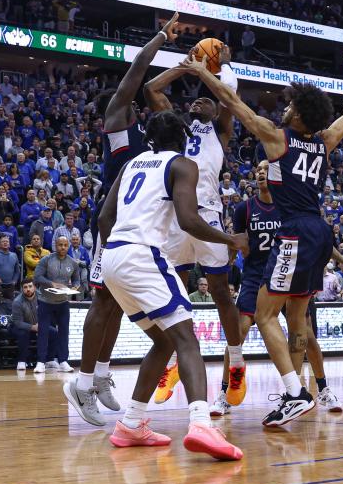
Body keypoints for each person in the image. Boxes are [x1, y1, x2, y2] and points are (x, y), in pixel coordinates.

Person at [187, 45, 343, 426]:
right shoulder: (323, 142)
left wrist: (203, 73)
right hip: (321, 233)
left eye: (288, 106)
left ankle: (294, 392)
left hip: (295, 232)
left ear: (298, 112)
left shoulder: (276, 138)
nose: (282, 110)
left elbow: (231, 101)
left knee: (267, 314)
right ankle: (299, 388)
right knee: (298, 318)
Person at [66, 110, 245, 460]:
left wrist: (120, 250)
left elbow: (104, 217)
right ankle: (201, 424)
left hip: (113, 255)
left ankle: (131, 423)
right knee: (186, 339)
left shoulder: (131, 164)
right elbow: (189, 220)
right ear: (182, 138)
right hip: (142, 255)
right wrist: (231, 239)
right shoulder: (182, 164)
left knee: (163, 342)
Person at [72, 13, 179, 427]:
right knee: (103, 302)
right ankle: (81, 385)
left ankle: (99, 377)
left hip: (137, 224)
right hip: (110, 221)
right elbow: (134, 76)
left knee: (115, 304)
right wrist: (159, 40)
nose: (135, 99)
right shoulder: (117, 122)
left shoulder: (148, 139)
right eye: (130, 97)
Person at [144, 42, 247, 407]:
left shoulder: (220, 131)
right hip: (173, 218)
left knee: (220, 292)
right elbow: (153, 89)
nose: (197, 103)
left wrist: (218, 66)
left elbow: (228, 95)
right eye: (194, 102)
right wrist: (185, 67)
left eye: (205, 102)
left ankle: (235, 362)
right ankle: (173, 361)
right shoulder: (178, 130)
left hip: (207, 213)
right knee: (174, 294)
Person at [211, 160, 343, 417]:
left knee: (306, 336)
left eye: (265, 169)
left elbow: (316, 238)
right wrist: (225, 262)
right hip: (254, 277)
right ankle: (225, 393)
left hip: (288, 274)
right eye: (257, 170)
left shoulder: (290, 207)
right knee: (236, 334)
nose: (260, 173)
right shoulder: (244, 209)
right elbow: (237, 243)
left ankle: (323, 389)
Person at [32, 236, 80, 373]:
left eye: (65, 245)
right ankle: (41, 362)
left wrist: (75, 287)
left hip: (63, 302)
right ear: (55, 245)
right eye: (60, 245)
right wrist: (52, 284)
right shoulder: (46, 259)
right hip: (45, 301)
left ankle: (63, 360)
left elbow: (77, 280)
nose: (63, 247)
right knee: (43, 332)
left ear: (69, 246)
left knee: (64, 332)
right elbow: (37, 277)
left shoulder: (73, 263)